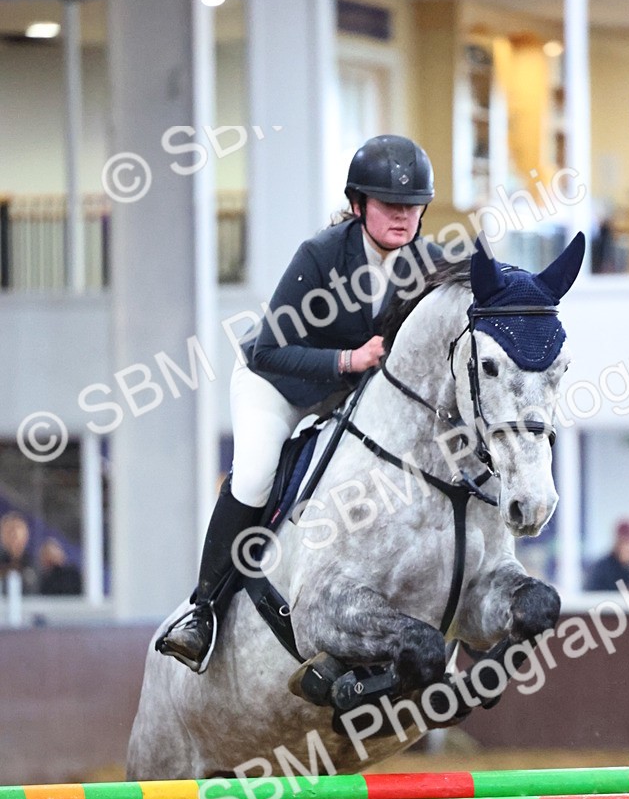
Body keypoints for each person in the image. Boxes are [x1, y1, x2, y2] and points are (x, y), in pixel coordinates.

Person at [160, 134, 441, 670]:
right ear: (359, 206)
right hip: (277, 384)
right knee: (256, 475)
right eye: (390, 206)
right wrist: (348, 361)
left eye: (413, 206)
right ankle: (202, 613)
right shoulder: (321, 255)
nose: (403, 217)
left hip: (349, 397)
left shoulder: (425, 263)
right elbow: (269, 350)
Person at [585, 518, 629, 592]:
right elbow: (592, 593)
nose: (624, 547)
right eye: (622, 542)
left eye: (627, 542)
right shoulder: (601, 568)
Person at [0, 511, 38, 595]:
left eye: (17, 529)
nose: (14, 534)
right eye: (9, 530)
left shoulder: (35, 563)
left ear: (26, 535)